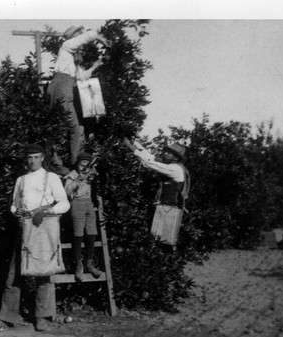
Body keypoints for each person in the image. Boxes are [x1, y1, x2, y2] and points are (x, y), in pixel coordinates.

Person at [0, 143, 70, 332]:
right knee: (13, 274)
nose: (32, 161)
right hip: (24, 229)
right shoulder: (21, 180)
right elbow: (13, 205)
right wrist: (17, 212)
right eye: (29, 158)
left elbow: (64, 203)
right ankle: (5, 318)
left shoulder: (52, 178)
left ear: (42, 158)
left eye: (36, 157)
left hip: (43, 228)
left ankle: (41, 317)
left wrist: (47, 210)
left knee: (43, 274)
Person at [48, 25, 111, 167]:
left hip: (61, 90)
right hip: (62, 90)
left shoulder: (71, 63)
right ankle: (77, 166)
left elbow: (82, 77)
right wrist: (100, 38)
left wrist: (98, 64)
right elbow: (87, 37)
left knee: (75, 129)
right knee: (76, 130)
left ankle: (68, 160)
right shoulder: (66, 47)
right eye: (80, 43)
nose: (82, 48)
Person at [122, 138, 190, 248]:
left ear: (176, 158)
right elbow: (150, 156)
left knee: (163, 240)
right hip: (165, 207)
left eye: (169, 153)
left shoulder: (174, 169)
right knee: (159, 239)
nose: (165, 154)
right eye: (166, 151)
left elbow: (150, 163)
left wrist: (131, 148)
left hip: (169, 209)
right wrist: (134, 142)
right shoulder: (171, 164)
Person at [64, 152, 104, 281]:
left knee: (92, 232)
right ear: (77, 164)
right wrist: (78, 179)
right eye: (82, 165)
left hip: (89, 204)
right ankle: (78, 266)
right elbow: (67, 191)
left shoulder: (90, 174)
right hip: (77, 203)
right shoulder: (72, 175)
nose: (84, 168)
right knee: (78, 234)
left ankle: (90, 264)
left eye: (86, 165)